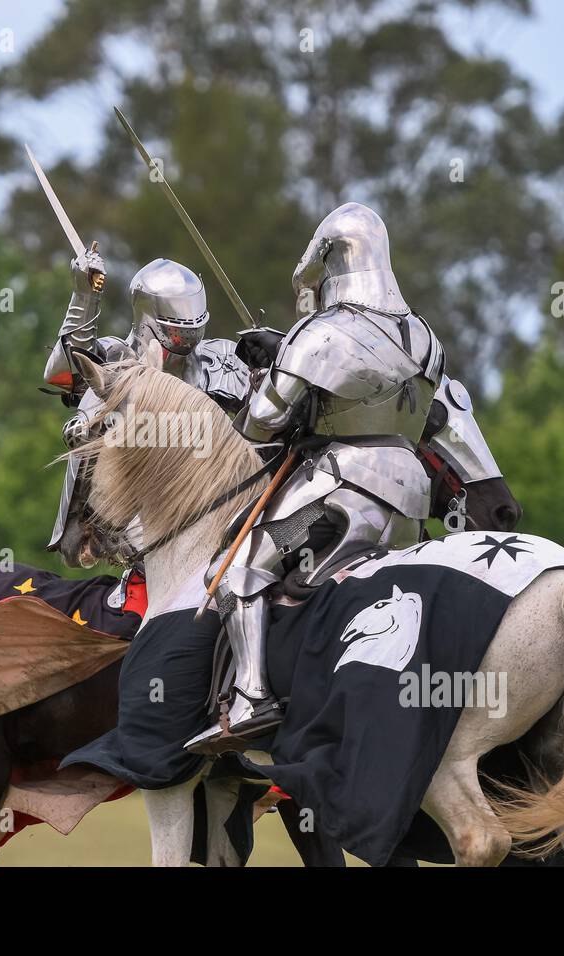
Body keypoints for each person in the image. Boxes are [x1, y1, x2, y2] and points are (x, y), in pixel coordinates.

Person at [186, 202, 446, 754]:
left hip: (340, 485)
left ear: (327, 266)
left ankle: (252, 696)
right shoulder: (426, 337)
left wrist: (267, 373)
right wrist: (285, 349)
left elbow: (262, 424)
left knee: (236, 566)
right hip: (412, 493)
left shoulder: (323, 332)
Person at [43, 251, 251, 560]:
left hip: (221, 504)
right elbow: (63, 374)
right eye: (178, 331)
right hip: (131, 510)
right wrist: (85, 296)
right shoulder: (118, 359)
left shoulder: (221, 360)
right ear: (149, 322)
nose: (186, 339)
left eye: (193, 329)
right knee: (84, 426)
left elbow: (265, 421)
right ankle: (91, 538)